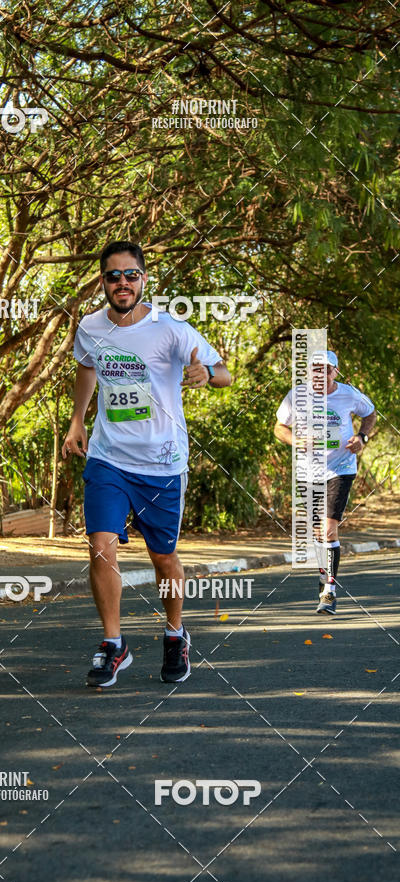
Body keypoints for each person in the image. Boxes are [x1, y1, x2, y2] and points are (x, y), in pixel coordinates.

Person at [61, 240, 232, 687]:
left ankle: (176, 634)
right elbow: (87, 368)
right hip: (108, 457)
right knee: (100, 545)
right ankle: (113, 645)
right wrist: (77, 419)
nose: (122, 283)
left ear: (144, 279)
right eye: (113, 276)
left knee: (164, 558)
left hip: (161, 462)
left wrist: (205, 375)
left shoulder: (171, 328)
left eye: (130, 275)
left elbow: (224, 373)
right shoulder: (90, 326)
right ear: (102, 282)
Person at [274, 350, 376, 614]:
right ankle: (325, 572)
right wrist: (296, 441)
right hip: (309, 471)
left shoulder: (349, 394)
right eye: (316, 369)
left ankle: (329, 591)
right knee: (319, 532)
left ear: (335, 372)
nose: (321, 374)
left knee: (330, 527)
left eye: (326, 369)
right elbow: (279, 427)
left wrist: (362, 438)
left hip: (341, 467)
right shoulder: (296, 395)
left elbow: (371, 414)